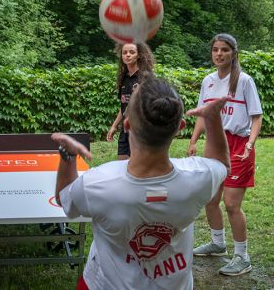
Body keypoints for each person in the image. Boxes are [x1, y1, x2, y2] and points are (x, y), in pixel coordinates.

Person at [52, 77, 230, 289]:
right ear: (180, 127)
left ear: (127, 126)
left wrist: (67, 156)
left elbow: (66, 199)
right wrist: (212, 118)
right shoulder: (199, 176)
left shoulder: (97, 183)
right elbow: (220, 164)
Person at [187, 33, 263, 276]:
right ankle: (218, 243)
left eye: (224, 50)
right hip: (215, 144)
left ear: (233, 53)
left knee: (231, 204)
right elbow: (203, 113)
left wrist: (250, 144)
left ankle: (242, 256)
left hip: (239, 145)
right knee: (210, 199)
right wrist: (193, 140)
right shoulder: (208, 80)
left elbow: (256, 116)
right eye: (215, 50)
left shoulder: (244, 80)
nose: (219, 54)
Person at [106, 42, 155, 159]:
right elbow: (123, 106)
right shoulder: (124, 78)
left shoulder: (146, 77)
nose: (128, 55)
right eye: (124, 52)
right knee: (122, 162)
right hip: (125, 129)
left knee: (139, 166)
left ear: (139, 55)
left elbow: (152, 105)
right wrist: (114, 126)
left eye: (132, 52)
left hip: (140, 129)